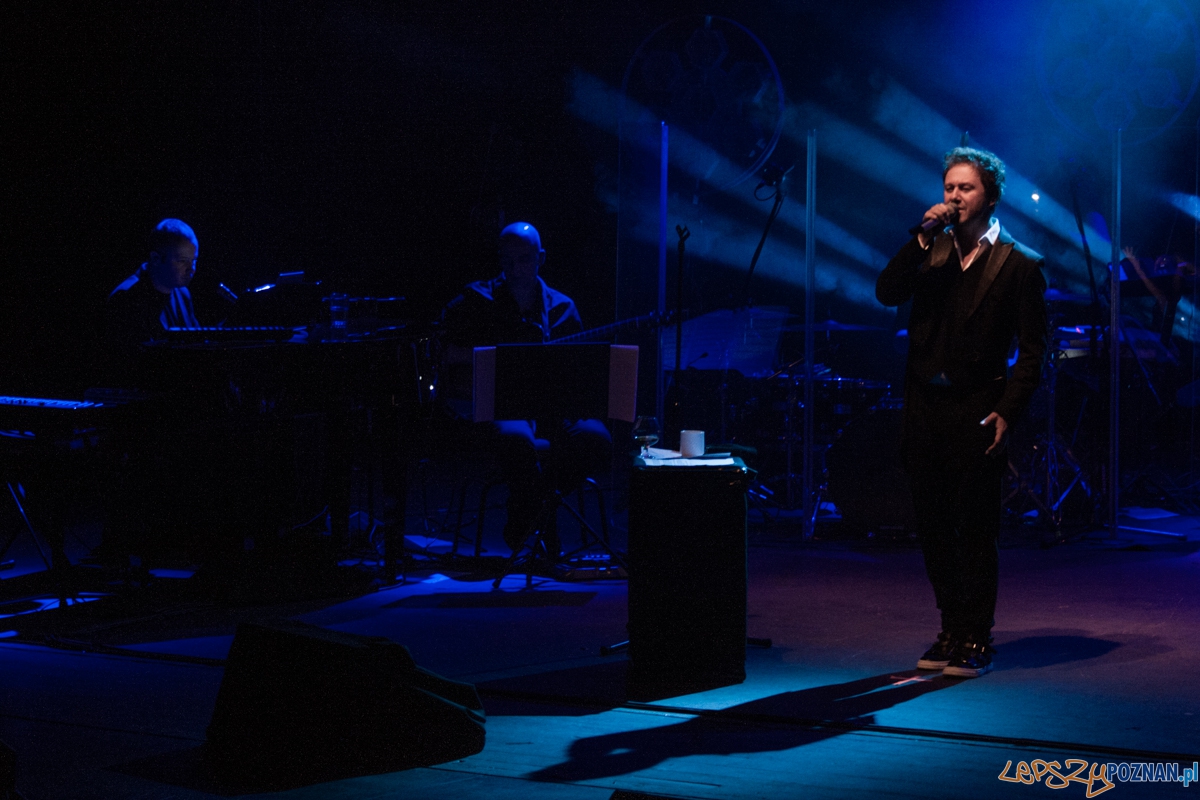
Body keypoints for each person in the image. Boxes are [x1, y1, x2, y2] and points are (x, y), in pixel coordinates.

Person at [875, 147, 1048, 678]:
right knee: (931, 525)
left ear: (990, 197)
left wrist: (1007, 412)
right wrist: (922, 236)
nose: (953, 197)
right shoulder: (931, 250)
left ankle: (977, 634)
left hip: (978, 407)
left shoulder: (1020, 264)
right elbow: (886, 293)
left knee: (974, 526)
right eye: (949, 187)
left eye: (965, 188)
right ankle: (950, 626)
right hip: (926, 405)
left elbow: (1034, 350)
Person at [439, 222, 612, 555]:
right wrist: (491, 356)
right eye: (508, 260)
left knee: (597, 441)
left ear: (541, 258)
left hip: (552, 407)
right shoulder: (476, 300)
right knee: (518, 441)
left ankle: (532, 516)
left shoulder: (563, 308)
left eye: (525, 259)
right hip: (499, 406)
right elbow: (440, 350)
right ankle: (540, 531)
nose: (515, 268)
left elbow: (580, 372)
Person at [105, 218, 201, 384]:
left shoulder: (182, 294)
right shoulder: (126, 300)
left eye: (194, 261)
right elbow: (134, 369)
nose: (191, 269)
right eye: (182, 261)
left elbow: (197, 346)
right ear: (156, 259)